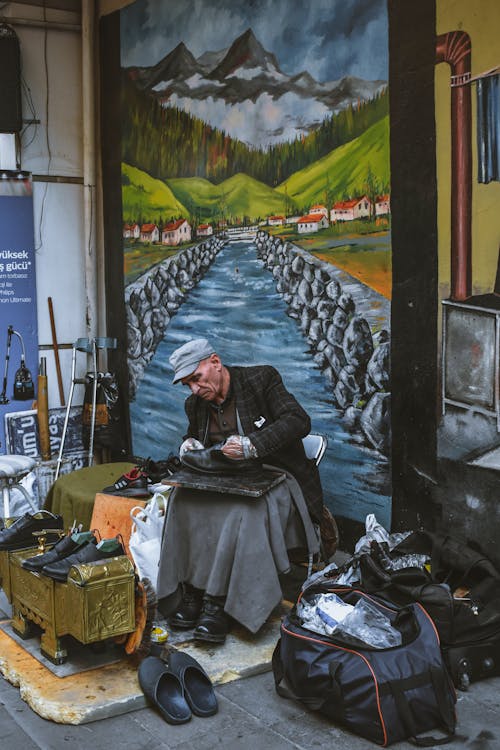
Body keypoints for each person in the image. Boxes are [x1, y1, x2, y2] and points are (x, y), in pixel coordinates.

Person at [156, 337, 332, 644]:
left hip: (277, 476)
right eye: (187, 384)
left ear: (215, 362)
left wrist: (253, 445)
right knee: (181, 500)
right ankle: (192, 591)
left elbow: (298, 421)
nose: (195, 390)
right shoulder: (195, 404)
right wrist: (190, 444)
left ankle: (219, 603)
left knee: (240, 511)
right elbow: (195, 438)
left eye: (196, 379)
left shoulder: (261, 379)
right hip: (227, 479)